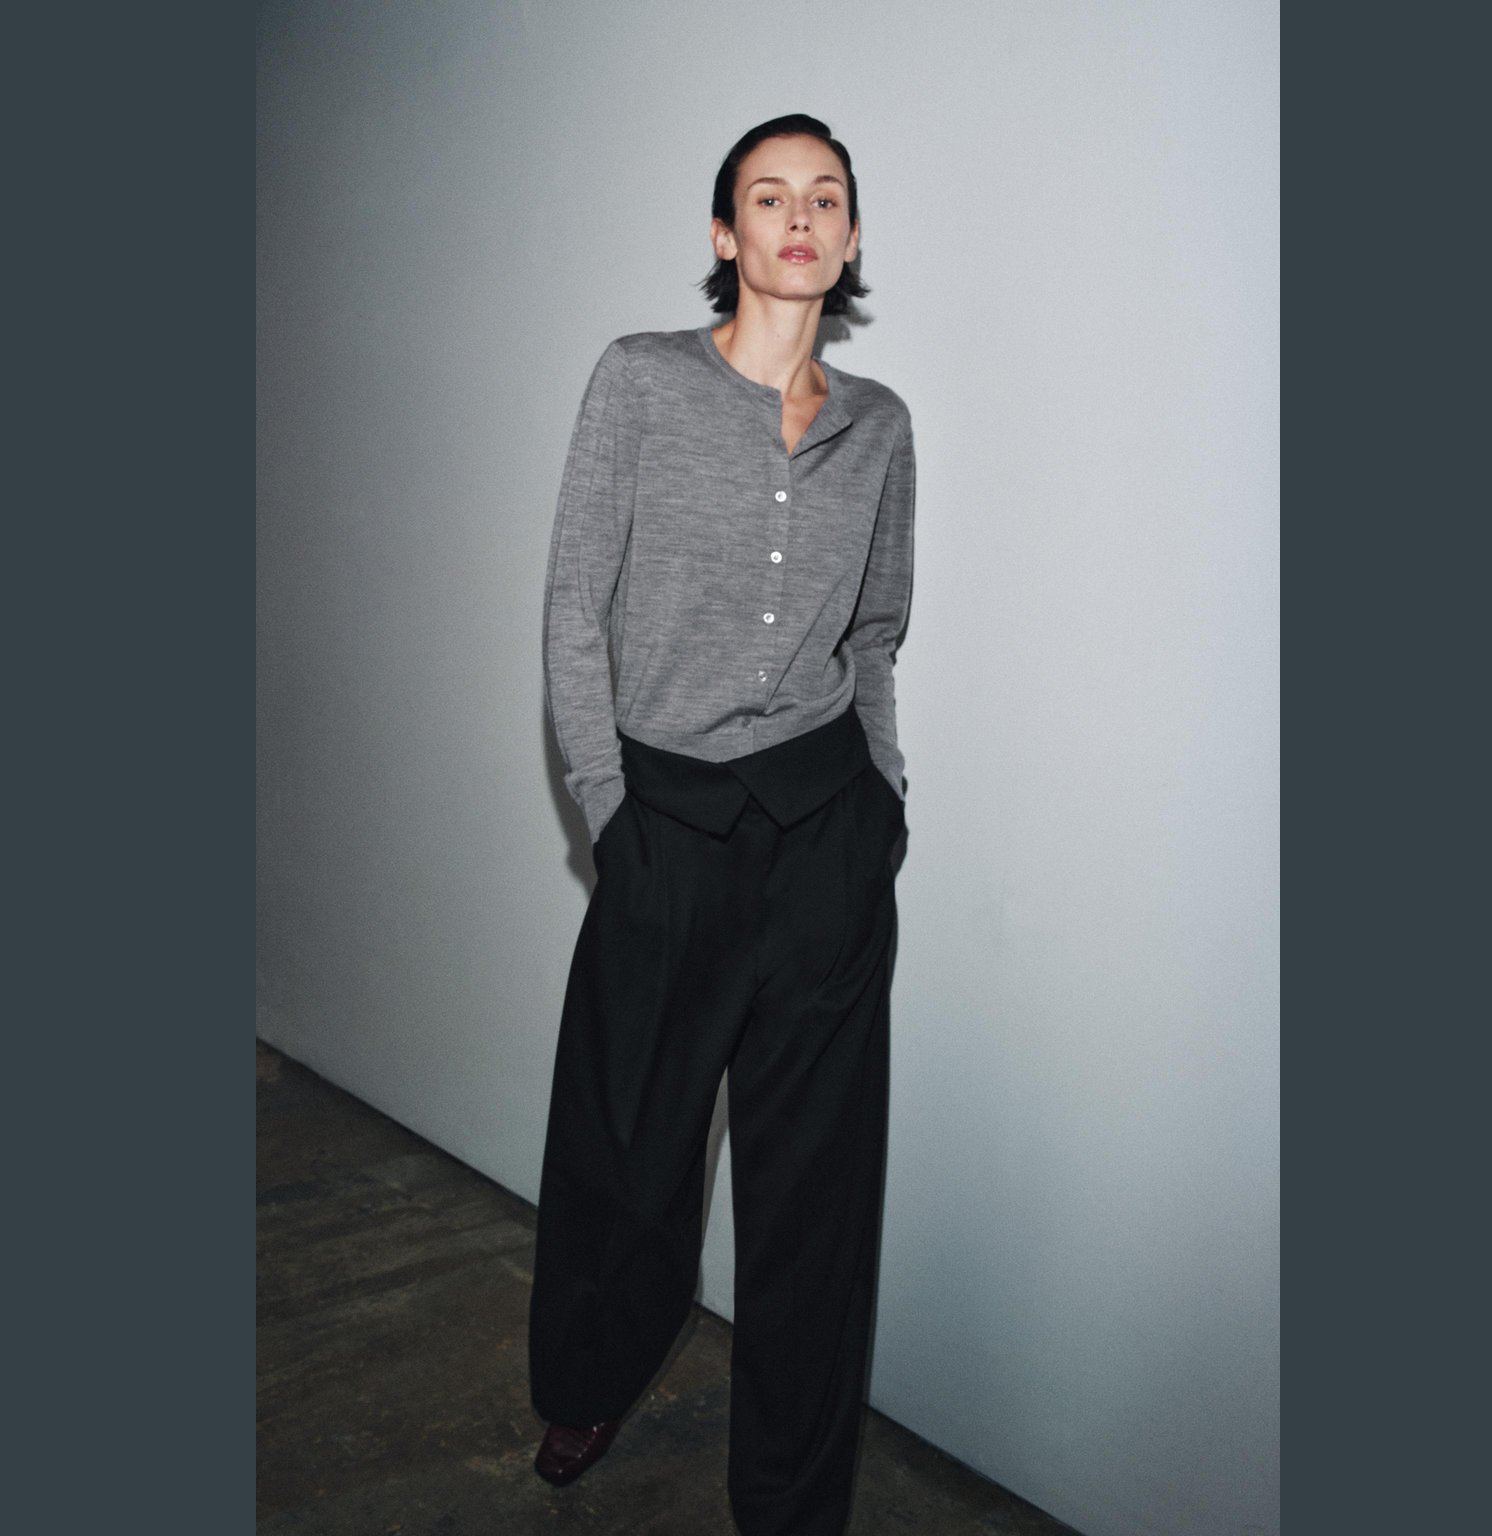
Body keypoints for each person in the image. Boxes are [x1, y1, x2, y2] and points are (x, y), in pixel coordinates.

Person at [528, 112, 916, 1536]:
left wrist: (882, 796)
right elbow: (575, 610)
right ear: (724, 232)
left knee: (816, 1199)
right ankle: (590, 1374)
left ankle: (795, 1502)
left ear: (851, 237)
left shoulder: (881, 427)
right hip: (668, 830)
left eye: (826, 197)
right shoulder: (639, 382)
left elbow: (875, 630)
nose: (798, 218)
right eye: (769, 196)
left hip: (825, 838)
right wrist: (611, 811)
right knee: (627, 1156)